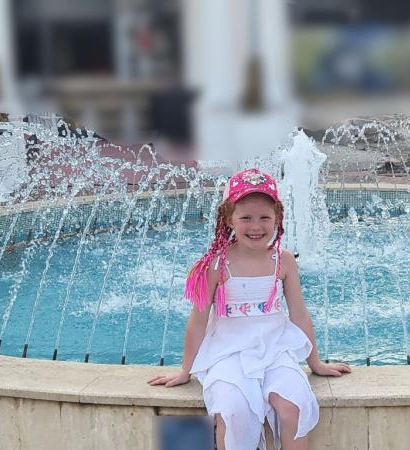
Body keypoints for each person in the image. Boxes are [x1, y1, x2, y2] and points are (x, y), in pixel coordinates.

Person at [148, 168, 351, 450]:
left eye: (264, 217)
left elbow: (299, 313)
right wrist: (186, 370)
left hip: (276, 349)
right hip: (228, 352)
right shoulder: (216, 265)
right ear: (228, 219)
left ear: (278, 218)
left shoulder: (284, 261)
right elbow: (197, 321)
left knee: (293, 406)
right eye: (245, 218)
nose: (256, 226)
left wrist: (315, 363)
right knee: (235, 411)